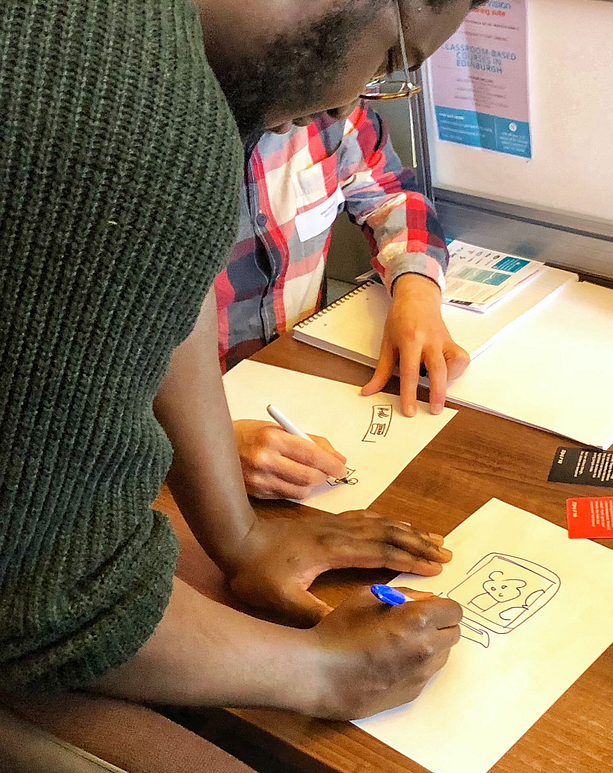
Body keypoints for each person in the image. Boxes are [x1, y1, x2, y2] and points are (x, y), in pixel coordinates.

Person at [0, 0, 478, 725]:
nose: (349, 100)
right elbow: (53, 595)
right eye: (386, 62)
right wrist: (323, 672)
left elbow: (170, 286)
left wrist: (242, 533)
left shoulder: (173, 64)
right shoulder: (128, 108)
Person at [221, 101, 469, 500]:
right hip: (167, 428)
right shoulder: (135, 142)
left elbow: (394, 196)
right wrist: (207, 447)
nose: (347, 102)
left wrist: (416, 290)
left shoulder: (335, 109)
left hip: (298, 374)